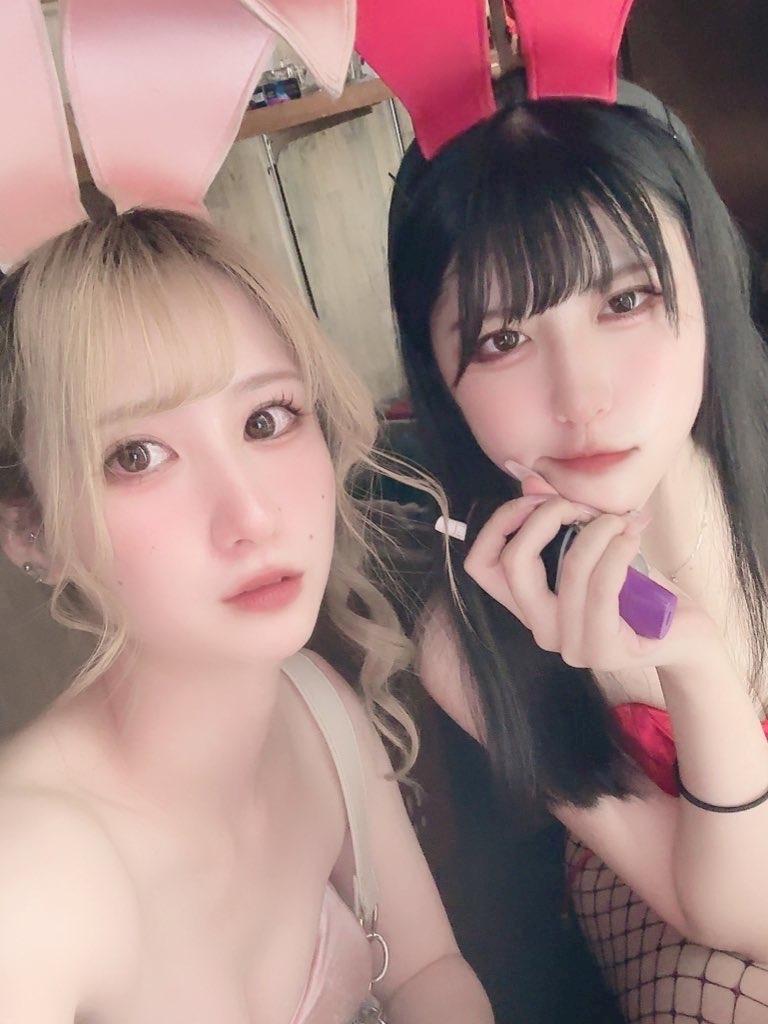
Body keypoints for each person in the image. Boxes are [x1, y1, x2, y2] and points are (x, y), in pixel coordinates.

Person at [0, 208, 493, 1024]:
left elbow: (427, 974)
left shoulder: (317, 706)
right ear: (32, 530)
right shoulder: (31, 879)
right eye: (137, 456)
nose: (252, 516)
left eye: (267, 419)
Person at [387, 83, 768, 1023]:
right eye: (504, 337)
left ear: (707, 282)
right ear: (438, 375)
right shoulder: (467, 636)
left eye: (626, 299)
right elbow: (741, 916)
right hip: (676, 889)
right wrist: (691, 660)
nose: (581, 397)